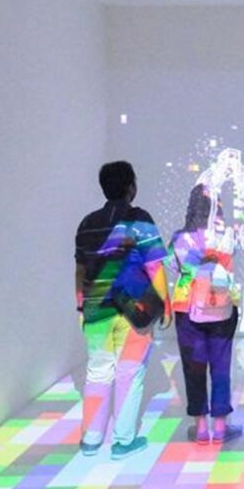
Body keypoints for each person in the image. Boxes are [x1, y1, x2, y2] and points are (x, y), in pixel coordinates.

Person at [74, 161, 170, 460]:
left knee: (97, 372)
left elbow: (80, 270)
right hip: (133, 310)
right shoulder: (140, 219)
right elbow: (154, 266)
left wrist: (80, 305)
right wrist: (165, 304)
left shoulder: (87, 224)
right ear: (131, 187)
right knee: (129, 372)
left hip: (95, 309)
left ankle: (91, 439)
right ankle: (123, 441)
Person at [170, 184, 242, 444]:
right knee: (221, 367)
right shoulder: (229, 235)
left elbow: (173, 266)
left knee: (194, 368)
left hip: (188, 310)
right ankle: (220, 427)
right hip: (223, 308)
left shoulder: (180, 238)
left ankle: (201, 428)